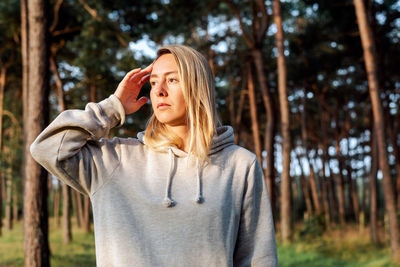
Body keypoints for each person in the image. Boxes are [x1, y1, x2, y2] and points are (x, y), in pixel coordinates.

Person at [30, 45, 278, 266]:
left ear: (198, 87)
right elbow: (47, 148)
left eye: (172, 80)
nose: (159, 91)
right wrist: (113, 106)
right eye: (153, 82)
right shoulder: (115, 160)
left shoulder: (240, 165)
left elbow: (258, 257)